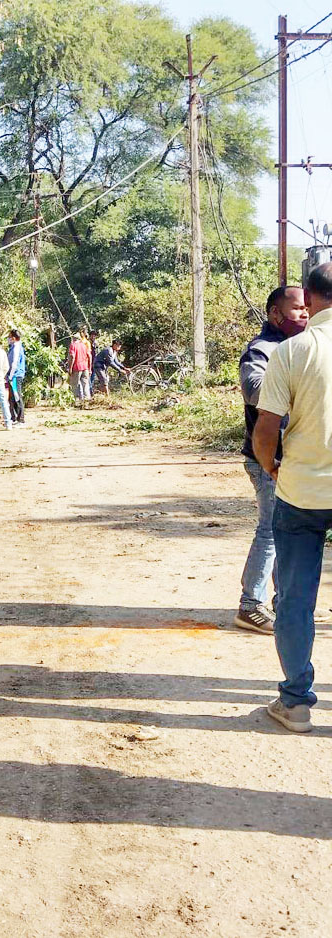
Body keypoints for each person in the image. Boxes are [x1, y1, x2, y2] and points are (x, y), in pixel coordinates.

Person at [254, 262, 332, 733]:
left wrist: (270, 465)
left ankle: (296, 703)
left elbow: (266, 428)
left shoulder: (294, 351)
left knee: (297, 598)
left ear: (314, 297)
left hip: (302, 489)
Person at [235, 285, 308, 635]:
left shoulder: (301, 348)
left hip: (290, 458)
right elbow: (253, 389)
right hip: (267, 458)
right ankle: (251, 605)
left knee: (283, 530)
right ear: (275, 315)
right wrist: (298, 392)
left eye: (308, 308)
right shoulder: (262, 350)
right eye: (297, 309)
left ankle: (279, 602)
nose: (305, 314)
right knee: (270, 530)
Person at [7, 328, 26, 425]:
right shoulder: (13, 347)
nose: (8, 339)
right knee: (12, 398)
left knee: (17, 396)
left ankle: (21, 420)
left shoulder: (17, 348)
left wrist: (10, 376)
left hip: (15, 376)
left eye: (9, 337)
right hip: (13, 376)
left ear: (14, 338)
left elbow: (14, 363)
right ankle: (14, 418)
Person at [68, 332, 91, 402]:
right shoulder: (84, 345)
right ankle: (87, 400)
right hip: (85, 367)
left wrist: (70, 368)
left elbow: (72, 356)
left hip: (77, 367)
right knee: (85, 384)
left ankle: (75, 400)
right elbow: (89, 356)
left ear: (73, 339)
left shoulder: (73, 345)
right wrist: (89, 368)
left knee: (75, 385)